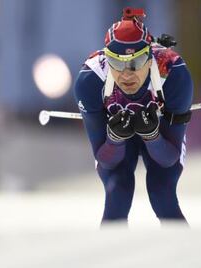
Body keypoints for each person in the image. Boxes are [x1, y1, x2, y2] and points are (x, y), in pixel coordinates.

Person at [74, 7, 193, 224]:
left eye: (135, 63)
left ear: (150, 59)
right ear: (106, 60)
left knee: (161, 192)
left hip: (163, 138)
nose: (126, 73)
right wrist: (115, 138)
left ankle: (188, 253)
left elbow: (169, 159)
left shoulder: (174, 72)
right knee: (117, 191)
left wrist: (153, 136)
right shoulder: (90, 79)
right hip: (122, 141)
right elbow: (106, 161)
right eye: (116, 63)